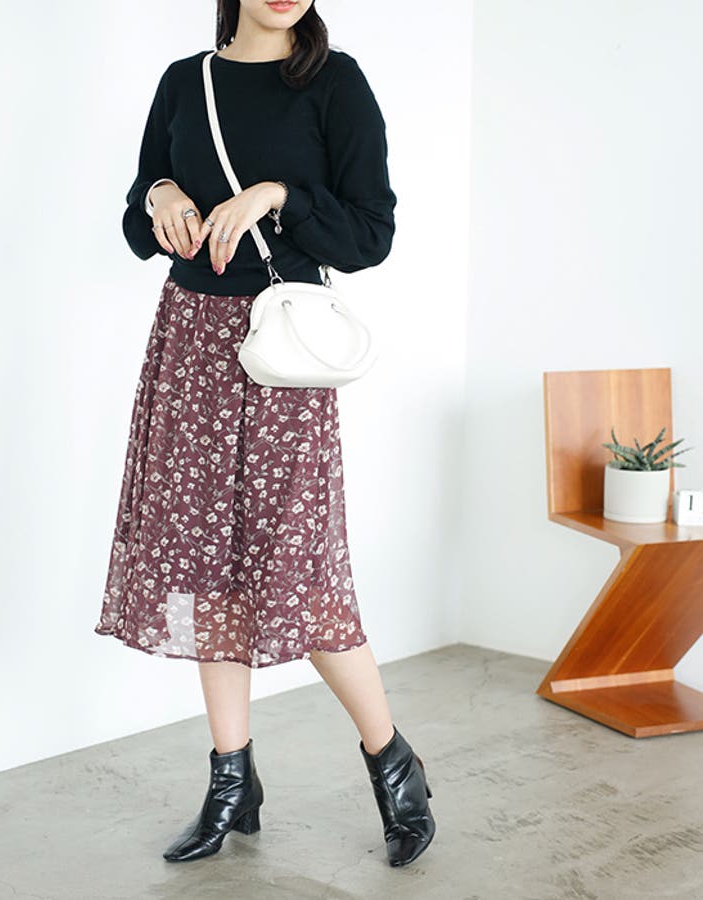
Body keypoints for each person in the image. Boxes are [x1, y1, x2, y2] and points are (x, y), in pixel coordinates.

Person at [94, 0, 436, 868]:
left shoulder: (334, 83)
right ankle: (231, 780)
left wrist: (279, 197)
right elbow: (137, 222)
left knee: (299, 572)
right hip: (191, 345)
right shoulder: (186, 82)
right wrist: (161, 194)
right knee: (207, 567)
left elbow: (371, 234)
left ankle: (393, 763)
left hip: (284, 352)